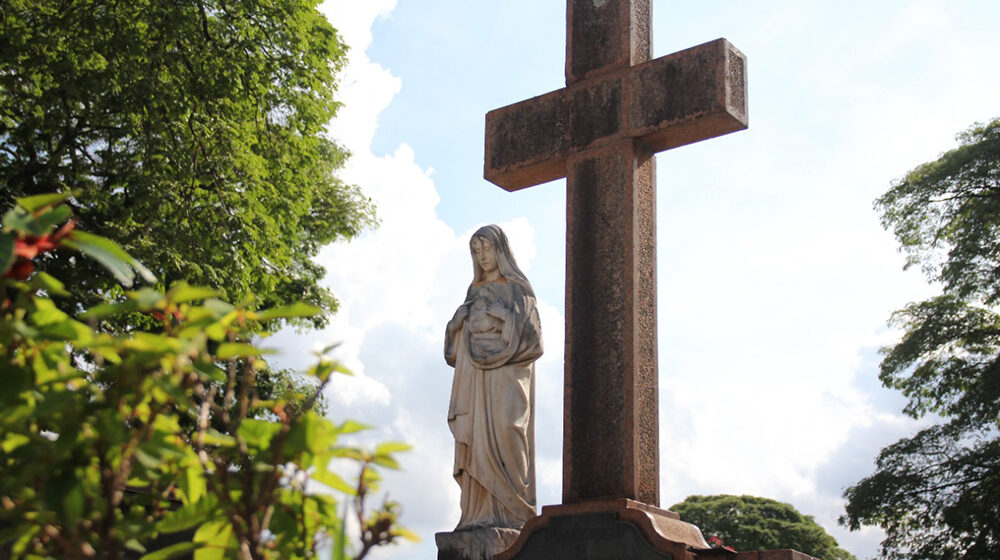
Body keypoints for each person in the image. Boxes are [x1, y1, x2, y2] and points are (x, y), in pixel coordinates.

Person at [445, 224, 543, 530]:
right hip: (475, 379)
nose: (481, 255)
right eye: (476, 251)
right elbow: (454, 349)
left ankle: (515, 514)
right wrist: (455, 323)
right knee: (475, 439)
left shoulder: (518, 289)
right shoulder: (473, 291)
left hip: (507, 376)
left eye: (486, 248)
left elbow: (534, 341)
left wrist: (502, 315)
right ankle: (477, 514)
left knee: (509, 429)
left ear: (500, 249)